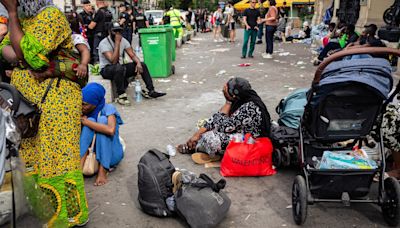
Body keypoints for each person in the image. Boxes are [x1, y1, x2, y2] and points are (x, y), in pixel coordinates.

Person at [0, 0, 89, 226]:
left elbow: (32, 56)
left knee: (57, 160)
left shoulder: (52, 16)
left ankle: (67, 218)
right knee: (32, 157)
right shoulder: (21, 21)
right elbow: (6, 48)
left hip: (56, 103)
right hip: (28, 106)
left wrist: (11, 14)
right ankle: (44, 214)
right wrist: (17, 55)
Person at [178, 77, 271, 162]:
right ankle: (203, 147)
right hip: (241, 132)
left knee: (209, 138)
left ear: (233, 94)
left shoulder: (250, 107)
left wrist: (228, 102)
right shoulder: (243, 99)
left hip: (253, 144)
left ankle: (196, 148)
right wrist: (198, 133)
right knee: (207, 127)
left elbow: (223, 126)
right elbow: (218, 119)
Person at [98, 23, 166, 105]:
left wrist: (138, 63)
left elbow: (132, 55)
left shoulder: (123, 40)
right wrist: (117, 43)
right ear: (109, 32)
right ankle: (121, 95)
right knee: (118, 67)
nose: (117, 34)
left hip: (119, 68)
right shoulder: (104, 43)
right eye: (115, 31)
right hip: (106, 69)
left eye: (119, 31)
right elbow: (113, 61)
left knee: (142, 65)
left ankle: (151, 90)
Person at [80, 83, 124, 186]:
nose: (82, 107)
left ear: (95, 102)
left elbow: (110, 130)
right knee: (90, 120)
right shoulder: (83, 111)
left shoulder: (108, 108)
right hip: (93, 153)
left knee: (101, 120)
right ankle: (78, 168)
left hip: (111, 153)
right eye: (81, 103)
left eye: (85, 104)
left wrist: (87, 123)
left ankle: (103, 170)